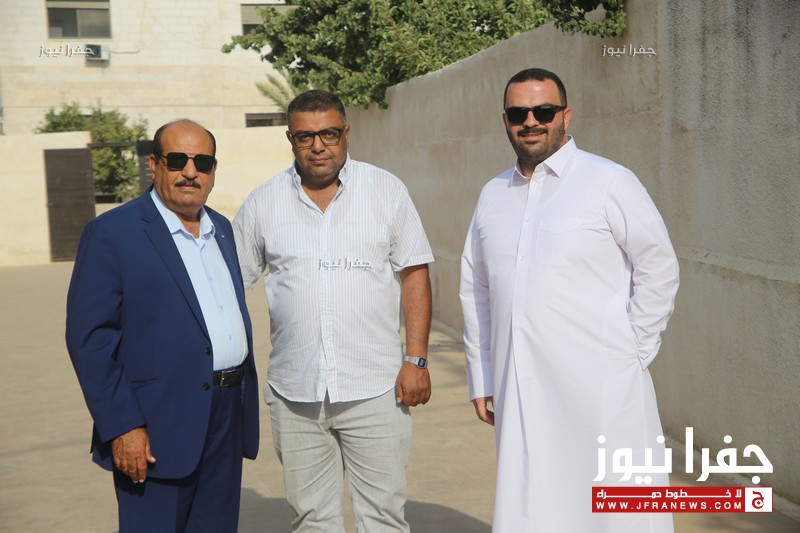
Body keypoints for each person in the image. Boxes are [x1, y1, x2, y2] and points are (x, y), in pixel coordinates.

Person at [460, 68, 679, 532]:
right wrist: (482, 375)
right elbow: (477, 288)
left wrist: (632, 352)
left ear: (565, 115)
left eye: (543, 110)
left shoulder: (608, 181)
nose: (531, 121)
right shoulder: (492, 195)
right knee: (533, 504)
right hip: (520, 387)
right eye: (518, 113)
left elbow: (658, 265)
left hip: (601, 389)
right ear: (505, 120)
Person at [234, 89, 433, 532]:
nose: (318, 146)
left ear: (346, 133)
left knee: (382, 517)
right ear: (290, 139)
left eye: (328, 133)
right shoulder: (263, 203)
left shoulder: (386, 191)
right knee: (311, 520)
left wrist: (416, 359)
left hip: (376, 388)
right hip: (296, 393)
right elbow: (230, 284)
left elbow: (415, 275)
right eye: (305, 137)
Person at [65, 119, 259, 532]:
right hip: (156, 424)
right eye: (177, 160)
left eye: (201, 162)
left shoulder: (221, 229)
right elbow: (90, 340)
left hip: (225, 415)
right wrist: (123, 425)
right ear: (154, 165)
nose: (190, 172)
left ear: (213, 170)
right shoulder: (113, 233)